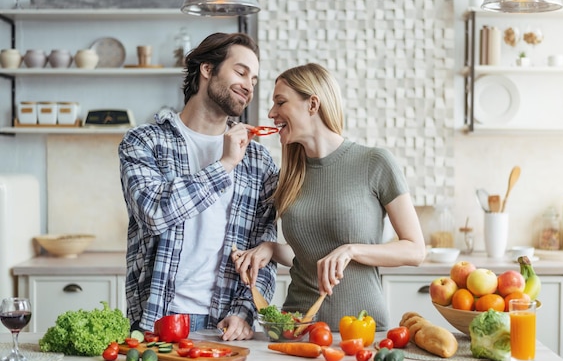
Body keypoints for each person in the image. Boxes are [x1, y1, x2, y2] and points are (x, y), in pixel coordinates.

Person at [232, 63, 427, 331]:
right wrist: (271, 249)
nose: (271, 113)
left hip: (362, 328)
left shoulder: (375, 162)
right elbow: (308, 256)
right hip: (297, 328)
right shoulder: (289, 176)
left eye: (280, 102)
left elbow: (415, 250)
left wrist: (352, 250)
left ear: (312, 104)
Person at [118, 32, 279, 341]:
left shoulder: (258, 160)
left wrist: (245, 311)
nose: (249, 86)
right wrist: (225, 165)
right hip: (157, 320)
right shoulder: (144, 142)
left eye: (255, 80)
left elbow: (264, 248)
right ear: (207, 69)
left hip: (226, 325)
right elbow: (154, 213)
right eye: (241, 72)